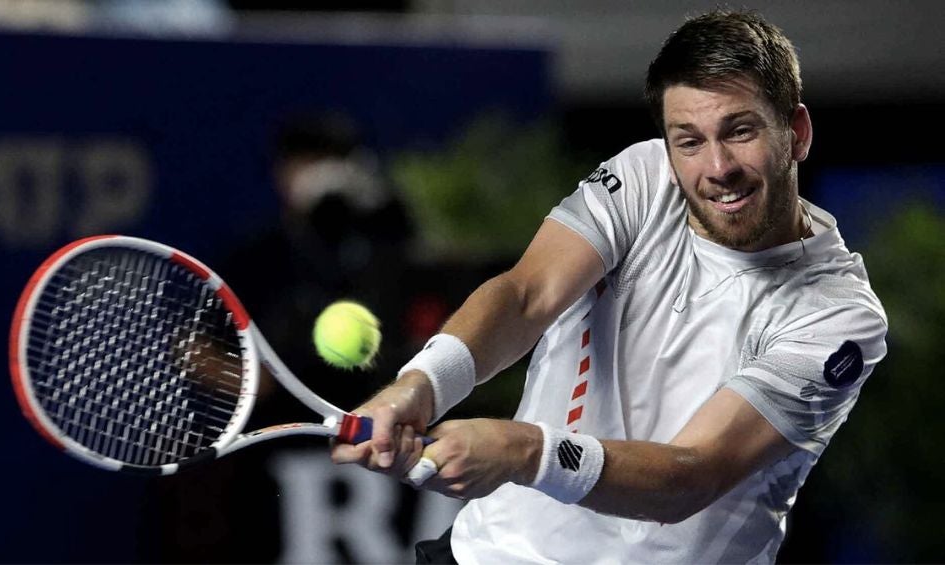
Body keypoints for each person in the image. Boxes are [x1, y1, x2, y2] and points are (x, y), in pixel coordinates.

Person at [331, 9, 889, 564]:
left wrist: (524, 451)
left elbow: (690, 477)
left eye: (740, 131)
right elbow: (526, 295)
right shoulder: (644, 176)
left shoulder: (838, 316)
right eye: (688, 141)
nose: (718, 166)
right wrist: (421, 385)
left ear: (797, 133)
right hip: (491, 553)